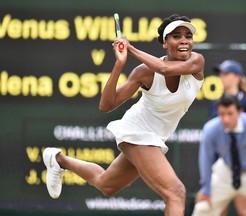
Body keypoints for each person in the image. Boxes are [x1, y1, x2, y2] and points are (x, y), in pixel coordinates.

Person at [42, 14, 205, 216]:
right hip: (137, 131)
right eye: (176, 36)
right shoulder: (144, 72)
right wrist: (119, 64)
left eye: (188, 36)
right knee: (176, 193)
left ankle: (58, 159)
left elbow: (164, 68)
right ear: (165, 42)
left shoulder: (197, 61)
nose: (184, 41)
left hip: (155, 137)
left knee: (106, 184)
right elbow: (106, 105)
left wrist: (131, 48)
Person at [209, 59, 246, 215]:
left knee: (243, 208)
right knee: (218, 210)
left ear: (237, 77)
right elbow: (212, 135)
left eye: (226, 73)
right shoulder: (216, 103)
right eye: (220, 74)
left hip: (241, 165)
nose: (222, 77)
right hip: (220, 162)